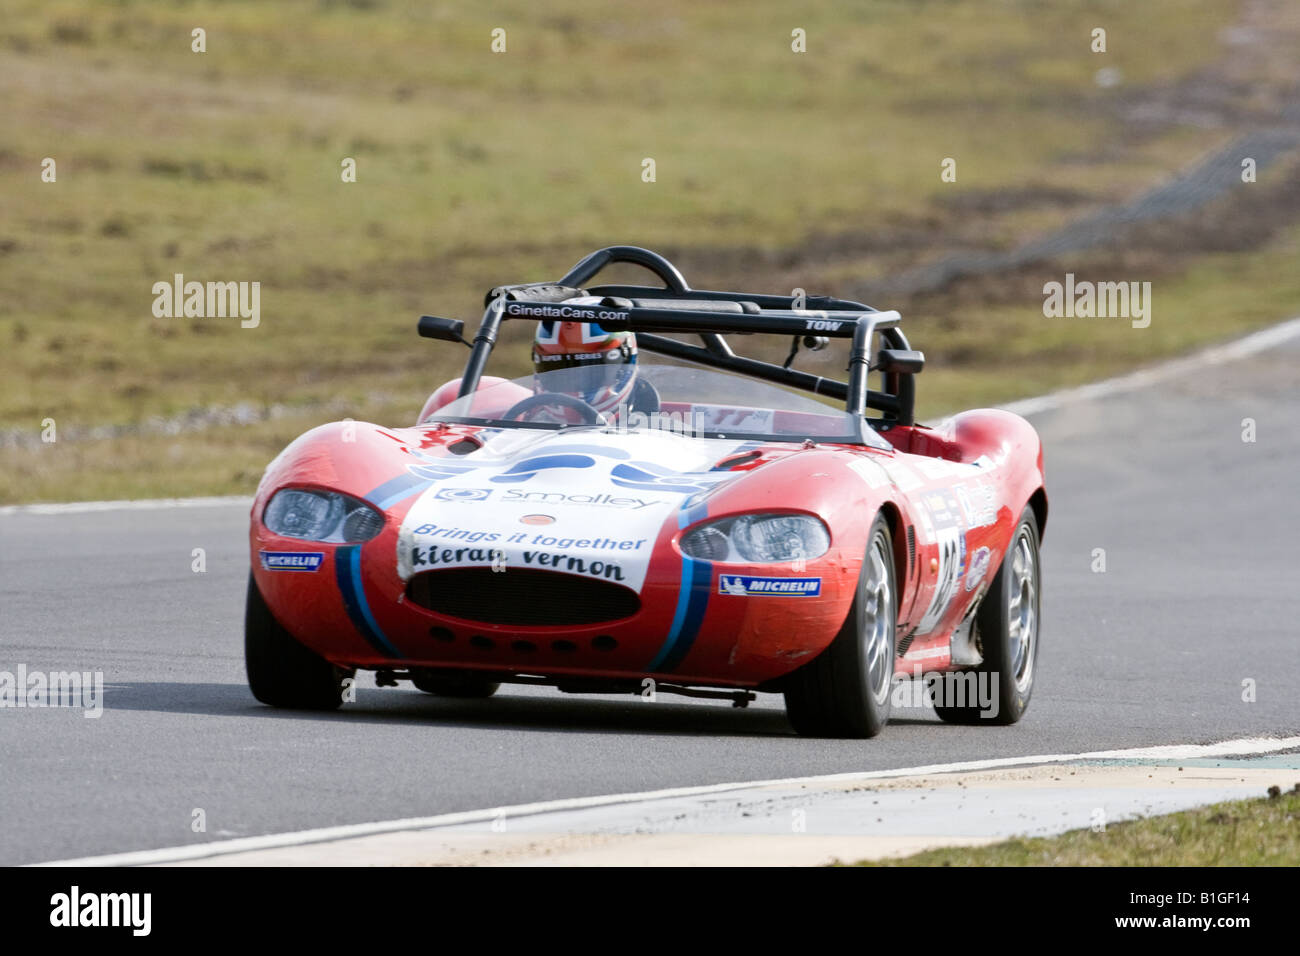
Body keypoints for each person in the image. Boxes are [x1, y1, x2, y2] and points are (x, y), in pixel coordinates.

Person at [529, 321, 658, 420]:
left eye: (592, 372)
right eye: (560, 373)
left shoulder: (661, 430)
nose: (574, 384)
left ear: (624, 365)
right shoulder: (524, 425)